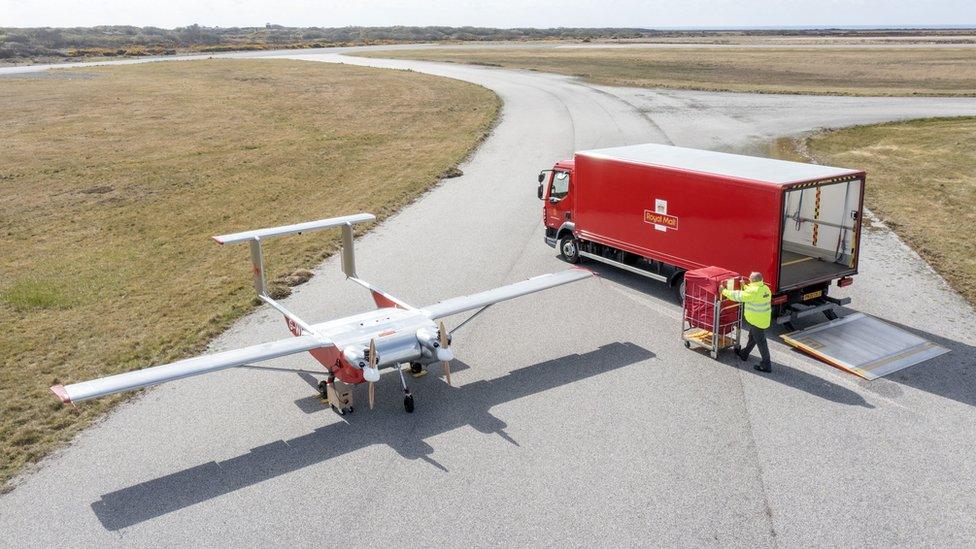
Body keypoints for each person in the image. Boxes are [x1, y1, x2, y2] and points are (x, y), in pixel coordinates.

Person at [721, 271, 772, 373]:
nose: (748, 280)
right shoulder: (765, 288)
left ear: (753, 280)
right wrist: (744, 286)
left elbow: (738, 296)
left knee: (761, 342)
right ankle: (744, 354)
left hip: (756, 320)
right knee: (753, 337)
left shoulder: (753, 291)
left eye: (749, 279)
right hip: (763, 319)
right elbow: (752, 293)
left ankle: (766, 365)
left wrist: (724, 291)